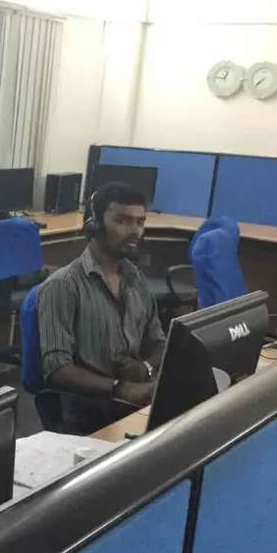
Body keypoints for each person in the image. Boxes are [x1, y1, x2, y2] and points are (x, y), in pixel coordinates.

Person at [37, 182, 166, 434]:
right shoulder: (63, 286)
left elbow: (159, 343)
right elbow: (56, 369)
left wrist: (147, 368)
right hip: (88, 411)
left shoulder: (135, 278)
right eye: (122, 221)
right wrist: (121, 388)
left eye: (140, 222)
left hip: (134, 402)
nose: (135, 231)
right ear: (93, 225)